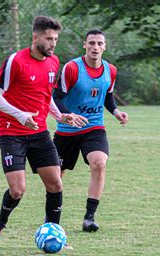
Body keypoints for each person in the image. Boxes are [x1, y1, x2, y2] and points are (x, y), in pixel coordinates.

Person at [0, 16, 86, 244]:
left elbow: (45, 94)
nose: (53, 44)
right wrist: (21, 116)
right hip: (11, 133)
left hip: (39, 132)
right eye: (49, 39)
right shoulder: (16, 61)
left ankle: (55, 235)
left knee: (55, 183)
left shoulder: (53, 62)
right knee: (18, 190)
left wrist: (61, 116)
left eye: (56, 39)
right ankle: (0, 222)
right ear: (35, 37)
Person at [52, 29, 129, 232]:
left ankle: (89, 217)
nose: (95, 47)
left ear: (105, 47)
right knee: (56, 176)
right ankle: (51, 217)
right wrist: (69, 115)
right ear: (84, 45)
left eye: (99, 44)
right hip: (67, 130)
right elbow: (55, 97)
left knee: (99, 163)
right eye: (92, 43)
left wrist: (116, 112)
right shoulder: (72, 69)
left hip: (94, 127)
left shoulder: (110, 70)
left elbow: (107, 97)